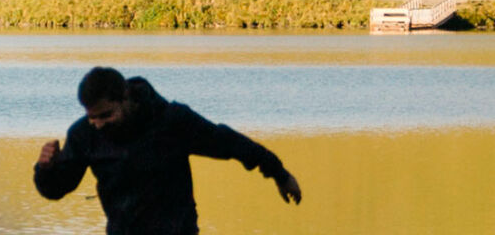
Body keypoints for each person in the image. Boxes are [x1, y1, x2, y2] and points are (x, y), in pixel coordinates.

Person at [34, 66, 300, 234]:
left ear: (126, 98)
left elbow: (231, 144)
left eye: (106, 115)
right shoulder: (85, 134)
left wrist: (279, 173)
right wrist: (45, 169)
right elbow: (57, 189)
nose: (98, 124)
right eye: (92, 117)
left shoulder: (172, 121)